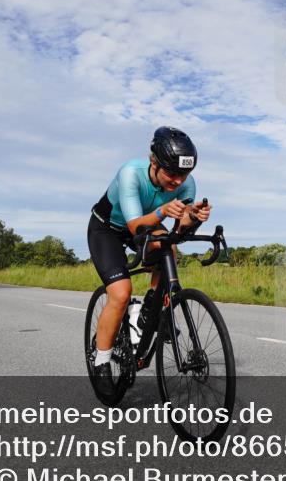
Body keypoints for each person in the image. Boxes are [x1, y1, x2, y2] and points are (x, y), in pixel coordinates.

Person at [87, 127, 211, 391]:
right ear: (154, 162)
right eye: (172, 173)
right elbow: (135, 227)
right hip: (107, 229)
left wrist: (193, 217)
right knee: (120, 294)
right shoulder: (131, 173)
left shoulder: (186, 183)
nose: (178, 181)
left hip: (147, 224)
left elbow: (179, 228)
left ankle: (150, 310)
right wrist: (163, 209)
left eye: (184, 174)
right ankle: (101, 361)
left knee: (169, 246)